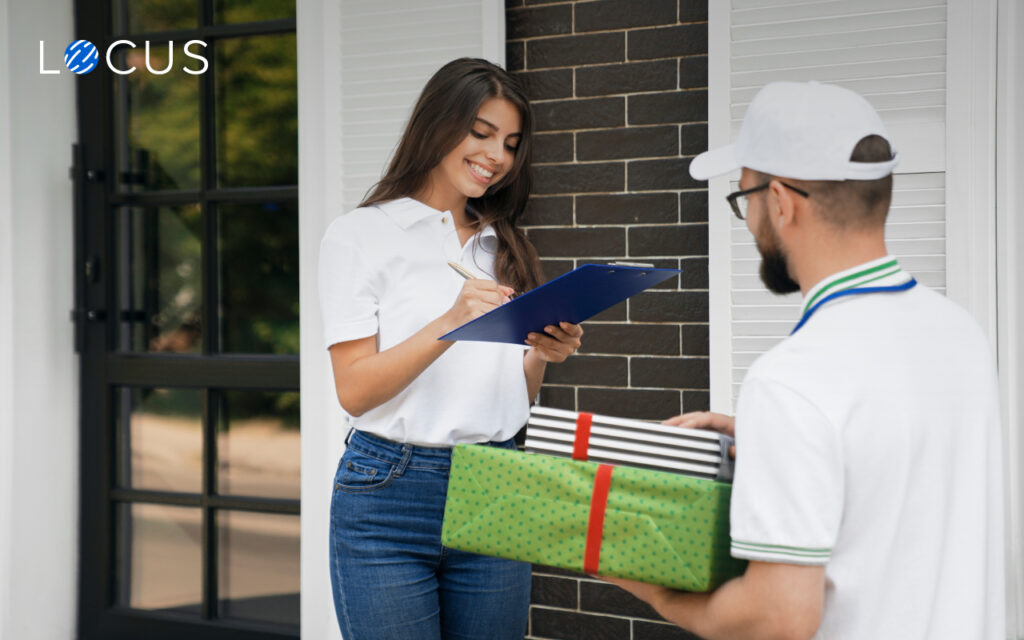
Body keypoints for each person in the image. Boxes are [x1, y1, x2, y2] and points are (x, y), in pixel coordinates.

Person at [608, 81, 1004, 639]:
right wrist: (775, 441)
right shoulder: (961, 334)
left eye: (743, 199)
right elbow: (905, 469)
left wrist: (657, 592)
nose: (747, 222)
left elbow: (778, 618)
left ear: (780, 202)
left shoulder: (794, 379)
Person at [317, 58, 583, 640]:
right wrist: (451, 321)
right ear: (438, 124)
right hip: (389, 495)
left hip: (498, 480)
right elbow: (356, 390)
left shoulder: (504, 243)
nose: (498, 156)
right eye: (482, 133)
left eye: (511, 143)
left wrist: (541, 355)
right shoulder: (359, 236)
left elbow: (510, 394)